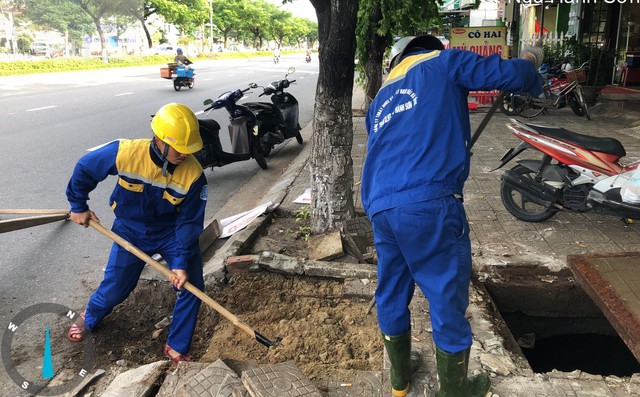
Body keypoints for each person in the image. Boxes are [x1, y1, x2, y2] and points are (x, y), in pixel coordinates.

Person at [360, 35, 543, 397]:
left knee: (392, 290)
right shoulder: (443, 62)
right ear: (427, 49)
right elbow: (507, 74)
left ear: (396, 60)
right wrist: (530, 61)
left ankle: (399, 380)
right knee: (445, 295)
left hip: (381, 208)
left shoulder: (380, 98)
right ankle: (456, 391)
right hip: (428, 204)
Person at [66, 103, 207, 365]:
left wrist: (180, 264)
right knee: (116, 287)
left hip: (171, 233)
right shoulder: (127, 153)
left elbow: (189, 223)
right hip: (129, 230)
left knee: (192, 285)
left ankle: (176, 345)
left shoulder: (194, 175)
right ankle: (91, 315)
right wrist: (78, 206)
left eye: (190, 149)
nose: (185, 155)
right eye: (180, 148)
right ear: (160, 140)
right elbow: (85, 167)